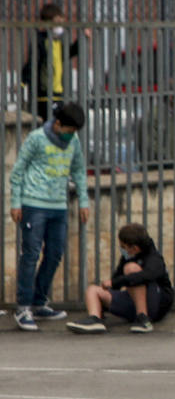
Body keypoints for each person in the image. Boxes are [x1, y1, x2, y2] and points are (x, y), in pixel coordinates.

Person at [8, 101, 90, 332]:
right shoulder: (36, 138)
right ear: (58, 123)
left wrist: (83, 200)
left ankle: (39, 301)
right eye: (69, 130)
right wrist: (16, 203)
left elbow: (79, 171)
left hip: (59, 205)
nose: (71, 136)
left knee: (54, 254)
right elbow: (18, 171)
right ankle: (23, 306)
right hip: (34, 204)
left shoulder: (73, 141)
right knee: (31, 254)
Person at [66, 222, 175, 334]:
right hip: (132, 302)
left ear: (135, 248)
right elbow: (116, 280)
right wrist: (106, 297)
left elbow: (145, 276)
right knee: (93, 290)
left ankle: (143, 318)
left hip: (156, 305)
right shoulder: (127, 257)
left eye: (123, 247)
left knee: (131, 269)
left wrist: (114, 282)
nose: (122, 250)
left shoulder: (154, 258)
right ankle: (95, 319)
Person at [21, 3, 82, 120]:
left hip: (57, 92)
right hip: (44, 94)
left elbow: (68, 53)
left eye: (61, 23)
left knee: (57, 125)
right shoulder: (41, 40)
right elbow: (33, 62)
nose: (60, 26)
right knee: (50, 125)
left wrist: (81, 40)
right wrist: (23, 82)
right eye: (57, 23)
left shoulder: (57, 42)